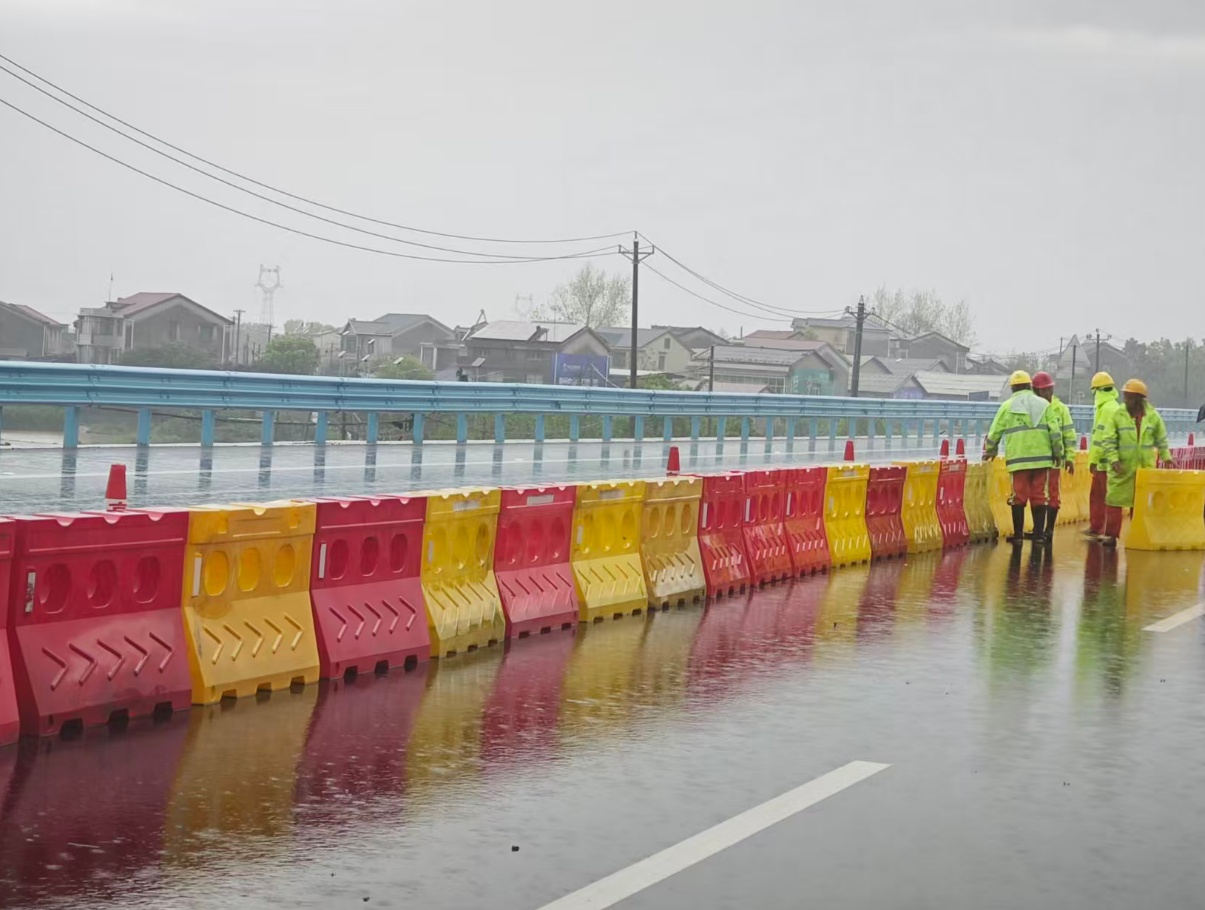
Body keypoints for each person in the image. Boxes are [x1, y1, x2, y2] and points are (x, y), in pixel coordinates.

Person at [985, 370, 1064, 544]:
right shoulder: (1044, 405)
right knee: (1039, 495)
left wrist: (990, 450)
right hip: (1042, 460)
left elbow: (995, 431)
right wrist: (1058, 453)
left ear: (1013, 388)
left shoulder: (1007, 406)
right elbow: (1055, 432)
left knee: (1018, 496)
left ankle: (1018, 535)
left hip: (1018, 460)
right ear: (1030, 386)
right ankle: (1038, 535)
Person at [1097, 378, 1172, 547]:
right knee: (1114, 500)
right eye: (1125, 396)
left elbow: (1161, 439)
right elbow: (1108, 439)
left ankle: (1137, 535)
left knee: (1140, 504)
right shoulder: (1118, 415)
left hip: (1144, 468)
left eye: (1129, 397)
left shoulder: (1152, 417)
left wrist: (1166, 456)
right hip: (1122, 467)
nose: (1126, 400)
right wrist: (1114, 459)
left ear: (1139, 399)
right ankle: (1111, 535)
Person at [1031, 371, 1076, 540]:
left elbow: (1069, 435)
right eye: (1044, 390)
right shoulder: (1033, 408)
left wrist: (1069, 458)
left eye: (1049, 389)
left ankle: (1048, 529)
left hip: (1054, 460)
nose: (1047, 393)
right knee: (1037, 494)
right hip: (1037, 460)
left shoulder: (1061, 409)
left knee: (1052, 493)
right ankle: (1038, 529)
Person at [1085, 372, 1120, 538]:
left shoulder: (1105, 409)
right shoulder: (1114, 406)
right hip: (1110, 462)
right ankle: (1099, 528)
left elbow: (1100, 438)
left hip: (1104, 463)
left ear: (1096, 391)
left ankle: (1102, 530)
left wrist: (1093, 460)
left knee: (1102, 498)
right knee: (1101, 497)